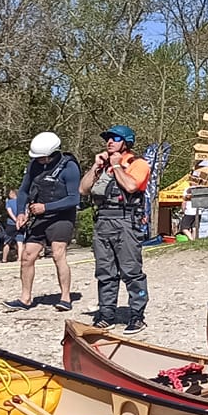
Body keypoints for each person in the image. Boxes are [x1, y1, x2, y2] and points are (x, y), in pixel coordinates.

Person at [83, 127, 151, 330]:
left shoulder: (138, 164)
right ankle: (106, 315)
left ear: (126, 142)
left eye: (115, 138)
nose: (109, 142)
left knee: (131, 271)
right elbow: (83, 189)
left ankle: (137, 315)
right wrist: (96, 167)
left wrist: (117, 166)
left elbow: (131, 186)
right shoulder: (103, 166)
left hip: (126, 221)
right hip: (102, 222)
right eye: (108, 139)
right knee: (105, 272)